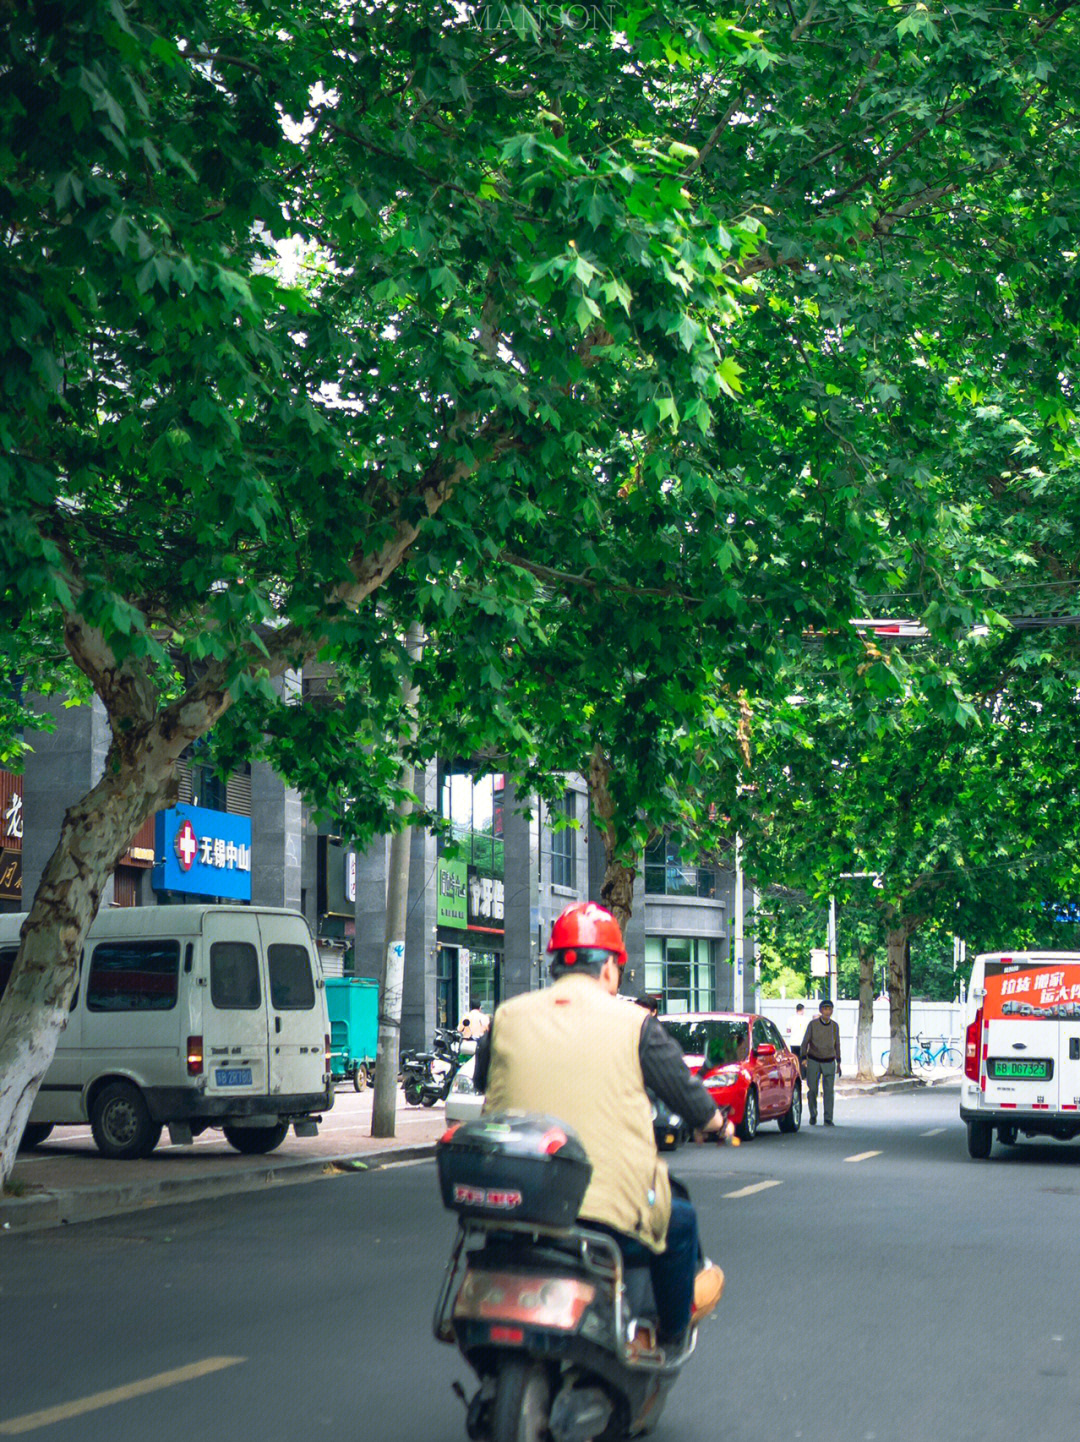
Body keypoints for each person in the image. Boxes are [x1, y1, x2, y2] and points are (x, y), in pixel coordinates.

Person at [474, 902, 729, 1352]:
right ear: (610, 968)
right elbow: (691, 1100)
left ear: (556, 964)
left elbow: (482, 1083)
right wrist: (717, 1124)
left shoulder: (507, 1017)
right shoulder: (636, 1024)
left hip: (511, 1208)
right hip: (606, 1223)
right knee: (681, 1222)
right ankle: (668, 1337)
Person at [802, 998, 842, 1126]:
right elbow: (805, 1041)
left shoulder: (835, 1026)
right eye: (825, 1008)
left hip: (829, 1061)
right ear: (820, 1010)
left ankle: (828, 1118)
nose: (827, 1011)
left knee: (829, 1091)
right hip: (814, 1060)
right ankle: (813, 1114)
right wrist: (803, 1058)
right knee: (812, 1089)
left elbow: (837, 1044)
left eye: (829, 1009)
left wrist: (839, 1062)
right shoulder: (813, 1024)